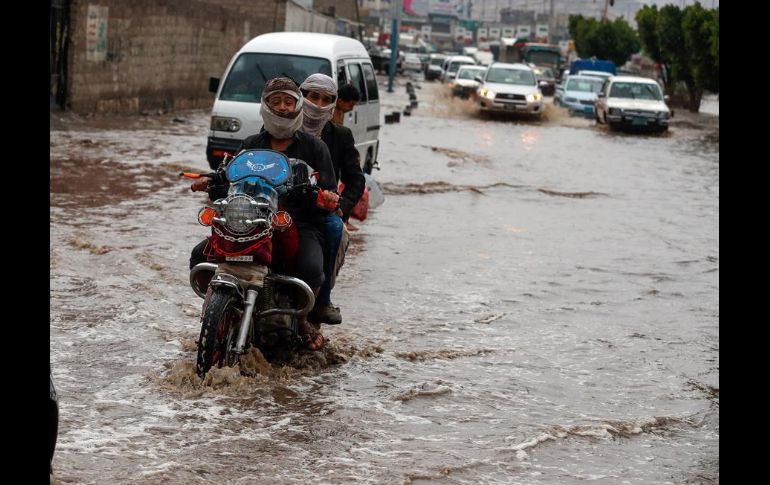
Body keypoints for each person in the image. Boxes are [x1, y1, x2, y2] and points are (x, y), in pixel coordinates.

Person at [189, 77, 338, 351]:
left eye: (288, 101)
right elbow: (228, 179)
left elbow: (328, 189)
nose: (282, 107)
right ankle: (215, 313)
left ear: (297, 106)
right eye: (275, 101)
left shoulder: (315, 148)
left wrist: (326, 196)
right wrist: (210, 182)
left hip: (297, 221)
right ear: (265, 106)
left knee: (311, 268)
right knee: (200, 255)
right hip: (250, 222)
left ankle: (303, 319)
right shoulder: (251, 143)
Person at [299, 74, 365, 326]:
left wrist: (341, 207)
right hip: (282, 205)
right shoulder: (278, 128)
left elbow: (355, 180)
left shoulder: (340, 135)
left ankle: (322, 299)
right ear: (301, 96)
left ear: (334, 103)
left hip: (323, 207)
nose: (317, 103)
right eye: (313, 96)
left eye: (326, 99)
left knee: (335, 228)